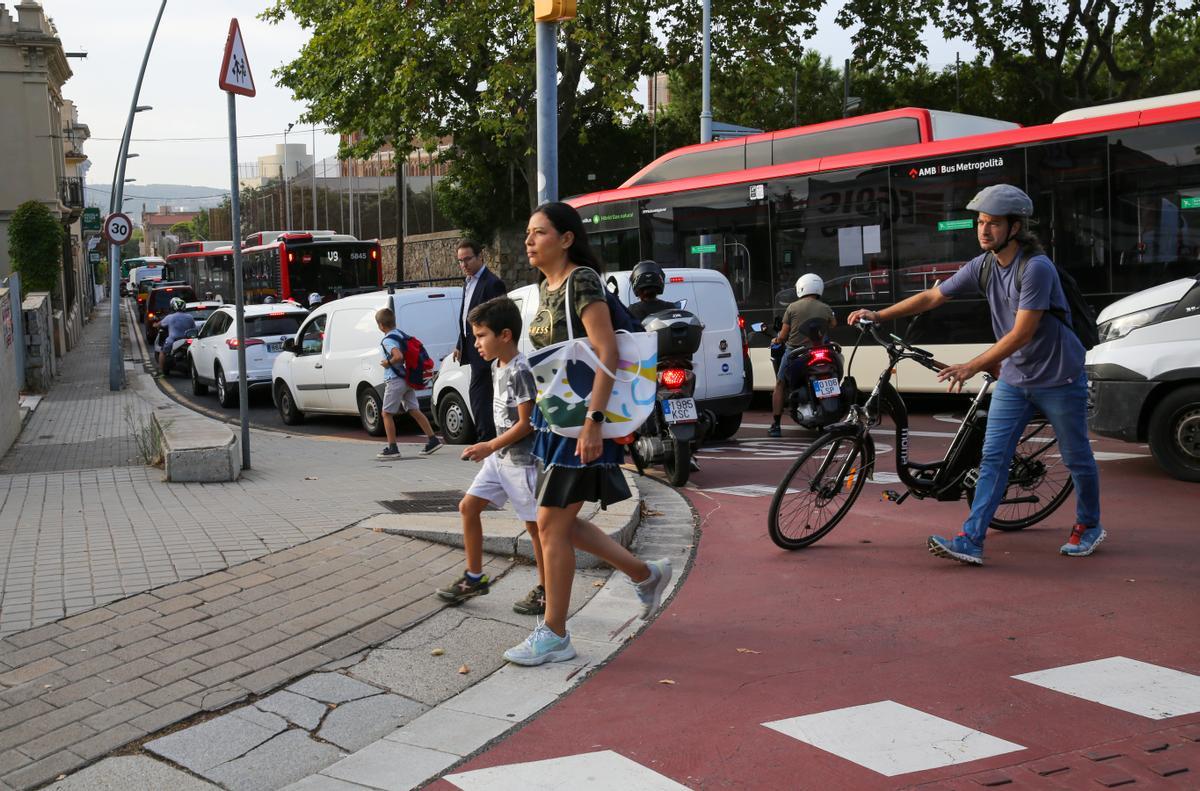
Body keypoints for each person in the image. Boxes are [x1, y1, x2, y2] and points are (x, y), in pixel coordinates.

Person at [848, 184, 1104, 565]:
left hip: (1058, 378)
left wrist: (973, 365)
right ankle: (971, 539)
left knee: (1076, 456)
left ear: (1015, 227)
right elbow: (934, 297)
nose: (984, 230)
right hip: (1015, 381)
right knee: (993, 458)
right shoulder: (983, 265)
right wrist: (880, 315)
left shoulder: (1035, 268)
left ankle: (1089, 525)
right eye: (981, 222)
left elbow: (1023, 332)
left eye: (994, 224)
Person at [503, 201, 672, 667]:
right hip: (558, 420)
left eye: (538, 233)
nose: (529, 241)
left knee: (550, 525)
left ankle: (555, 633)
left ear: (567, 238)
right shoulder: (546, 285)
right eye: (528, 233)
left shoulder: (581, 281)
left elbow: (608, 351)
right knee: (556, 523)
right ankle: (644, 574)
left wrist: (595, 423)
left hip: (583, 422)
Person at [437, 296, 546, 615]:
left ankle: (547, 590)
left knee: (535, 529)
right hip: (499, 460)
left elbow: (527, 424)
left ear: (505, 335)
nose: (476, 343)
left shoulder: (520, 370)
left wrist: (489, 446)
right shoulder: (498, 366)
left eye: (481, 335)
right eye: (474, 335)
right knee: (468, 507)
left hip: (522, 463)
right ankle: (474, 577)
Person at [768, 274, 836, 437]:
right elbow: (833, 324)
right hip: (820, 350)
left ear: (801, 288)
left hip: (796, 352)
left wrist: (775, 339)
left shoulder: (792, 308)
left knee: (780, 383)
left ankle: (776, 425)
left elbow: (783, 336)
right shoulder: (825, 307)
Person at [453, 240, 508, 442]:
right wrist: (460, 343)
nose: (463, 264)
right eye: (460, 261)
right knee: (481, 396)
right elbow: (467, 318)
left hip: (489, 351)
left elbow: (500, 319)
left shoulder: (492, 283)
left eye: (467, 259)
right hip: (473, 348)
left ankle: (486, 441)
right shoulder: (468, 283)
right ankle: (487, 440)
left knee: (480, 396)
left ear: (480, 257)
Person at [375, 308, 444, 459]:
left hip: (395, 379)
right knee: (413, 409)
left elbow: (398, 356)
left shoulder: (387, 340)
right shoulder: (400, 334)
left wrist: (387, 362)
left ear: (380, 325)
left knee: (386, 413)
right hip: (407, 379)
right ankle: (433, 440)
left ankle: (392, 448)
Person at [154, 297, 195, 374]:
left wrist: (155, 325)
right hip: (187, 340)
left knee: (162, 352)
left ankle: (161, 371)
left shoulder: (170, 317)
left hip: (173, 339)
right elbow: (193, 328)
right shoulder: (190, 317)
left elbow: (159, 324)